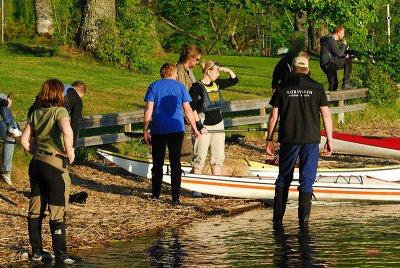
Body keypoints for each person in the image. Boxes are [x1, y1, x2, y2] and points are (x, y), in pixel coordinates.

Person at [266, 55, 333, 228]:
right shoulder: (317, 88)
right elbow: (326, 114)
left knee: (283, 178)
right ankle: (303, 224)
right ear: (308, 69)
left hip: (289, 138)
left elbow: (274, 116)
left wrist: (269, 139)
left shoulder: (282, 87)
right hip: (311, 139)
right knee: (307, 180)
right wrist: (329, 140)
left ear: (292, 69)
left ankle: (277, 221)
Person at [21, 79, 75, 264]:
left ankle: (36, 252)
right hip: (54, 165)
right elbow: (67, 132)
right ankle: (61, 255)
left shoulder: (35, 113)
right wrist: (70, 152)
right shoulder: (60, 111)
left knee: (35, 209)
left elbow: (24, 141)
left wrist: (34, 151)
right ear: (59, 94)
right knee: (57, 210)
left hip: (36, 164)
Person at [143, 62, 200, 205]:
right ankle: (175, 198)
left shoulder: (154, 86)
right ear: (173, 73)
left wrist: (145, 129)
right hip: (176, 129)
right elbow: (188, 110)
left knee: (158, 162)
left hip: (158, 129)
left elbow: (148, 110)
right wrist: (194, 127)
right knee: (175, 163)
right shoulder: (180, 86)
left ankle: (155, 195)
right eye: (176, 73)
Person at [189, 60, 239, 175]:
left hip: (218, 124)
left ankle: (217, 184)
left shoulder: (217, 84)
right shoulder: (196, 87)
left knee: (218, 157)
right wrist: (199, 126)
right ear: (208, 71)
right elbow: (192, 110)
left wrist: (228, 70)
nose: (218, 73)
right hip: (203, 126)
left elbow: (234, 80)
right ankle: (197, 190)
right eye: (216, 71)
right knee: (200, 156)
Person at [28, 81, 87, 147]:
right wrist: (72, 145)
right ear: (82, 93)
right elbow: (75, 123)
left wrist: (32, 135)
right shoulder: (76, 98)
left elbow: (33, 109)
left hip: (38, 128)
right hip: (55, 137)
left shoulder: (51, 89)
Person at [176, 45, 202, 162]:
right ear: (190, 57)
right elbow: (181, 96)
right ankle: (182, 172)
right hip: (183, 116)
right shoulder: (180, 71)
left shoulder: (188, 71)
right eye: (197, 59)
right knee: (185, 148)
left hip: (189, 114)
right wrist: (188, 117)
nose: (197, 63)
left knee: (190, 147)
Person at [320, 25, 356, 91]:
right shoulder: (330, 40)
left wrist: (344, 55)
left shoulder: (330, 39)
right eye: (343, 33)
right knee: (348, 61)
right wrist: (344, 45)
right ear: (338, 33)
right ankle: (346, 84)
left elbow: (337, 52)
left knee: (334, 84)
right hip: (328, 63)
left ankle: (330, 100)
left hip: (326, 64)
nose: (343, 35)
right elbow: (339, 53)